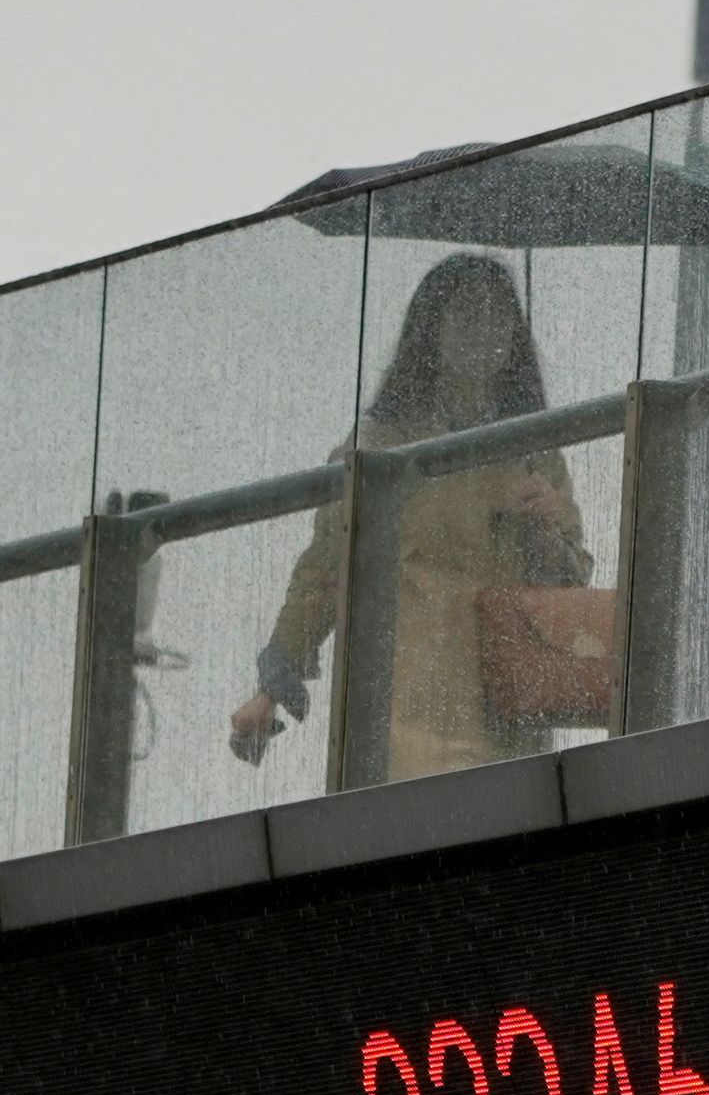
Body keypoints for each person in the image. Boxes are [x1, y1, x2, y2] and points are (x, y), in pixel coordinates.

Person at [228, 254, 602, 780]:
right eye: (468, 312)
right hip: (410, 702)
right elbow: (322, 577)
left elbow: (571, 585)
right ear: (433, 329)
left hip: (509, 705)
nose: (486, 329)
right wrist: (269, 691)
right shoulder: (383, 451)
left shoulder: (535, 450)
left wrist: (544, 526)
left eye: (500, 315)